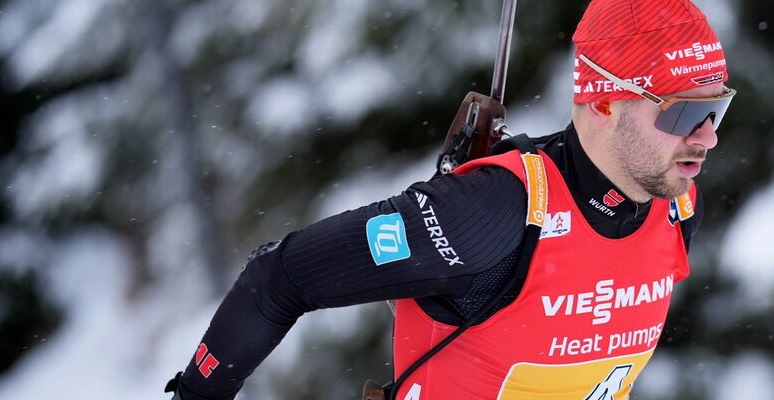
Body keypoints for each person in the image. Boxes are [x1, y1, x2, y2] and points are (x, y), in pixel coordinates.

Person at [165, 0, 734, 398]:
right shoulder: (493, 212)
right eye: (685, 111)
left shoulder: (677, 206)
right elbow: (281, 276)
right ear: (605, 102)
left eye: (717, 110)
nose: (707, 136)